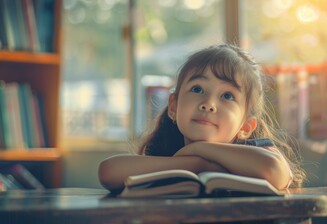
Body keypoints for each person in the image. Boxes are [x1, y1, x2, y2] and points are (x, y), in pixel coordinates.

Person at [98, 44, 305, 193]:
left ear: (245, 126)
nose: (208, 103)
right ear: (173, 106)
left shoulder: (256, 150)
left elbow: (274, 171)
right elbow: (109, 172)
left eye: (227, 96)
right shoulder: (169, 153)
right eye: (197, 89)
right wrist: (199, 165)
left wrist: (199, 148)